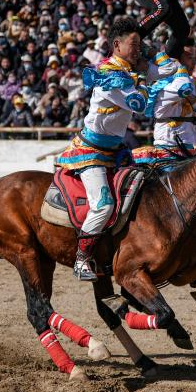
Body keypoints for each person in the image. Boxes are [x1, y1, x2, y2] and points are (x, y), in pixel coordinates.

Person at [56, 17, 148, 280]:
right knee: (103, 205)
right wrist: (143, 77)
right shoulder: (106, 74)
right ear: (116, 45)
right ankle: (81, 258)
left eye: (140, 44)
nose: (138, 49)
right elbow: (139, 104)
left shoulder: (128, 72)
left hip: (116, 150)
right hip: (91, 152)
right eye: (134, 44)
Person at [133, 46, 196, 168]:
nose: (193, 62)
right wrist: (178, 66)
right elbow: (182, 88)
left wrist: (191, 97)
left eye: (193, 58)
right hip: (167, 148)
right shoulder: (162, 85)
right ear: (177, 59)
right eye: (189, 57)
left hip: (188, 148)